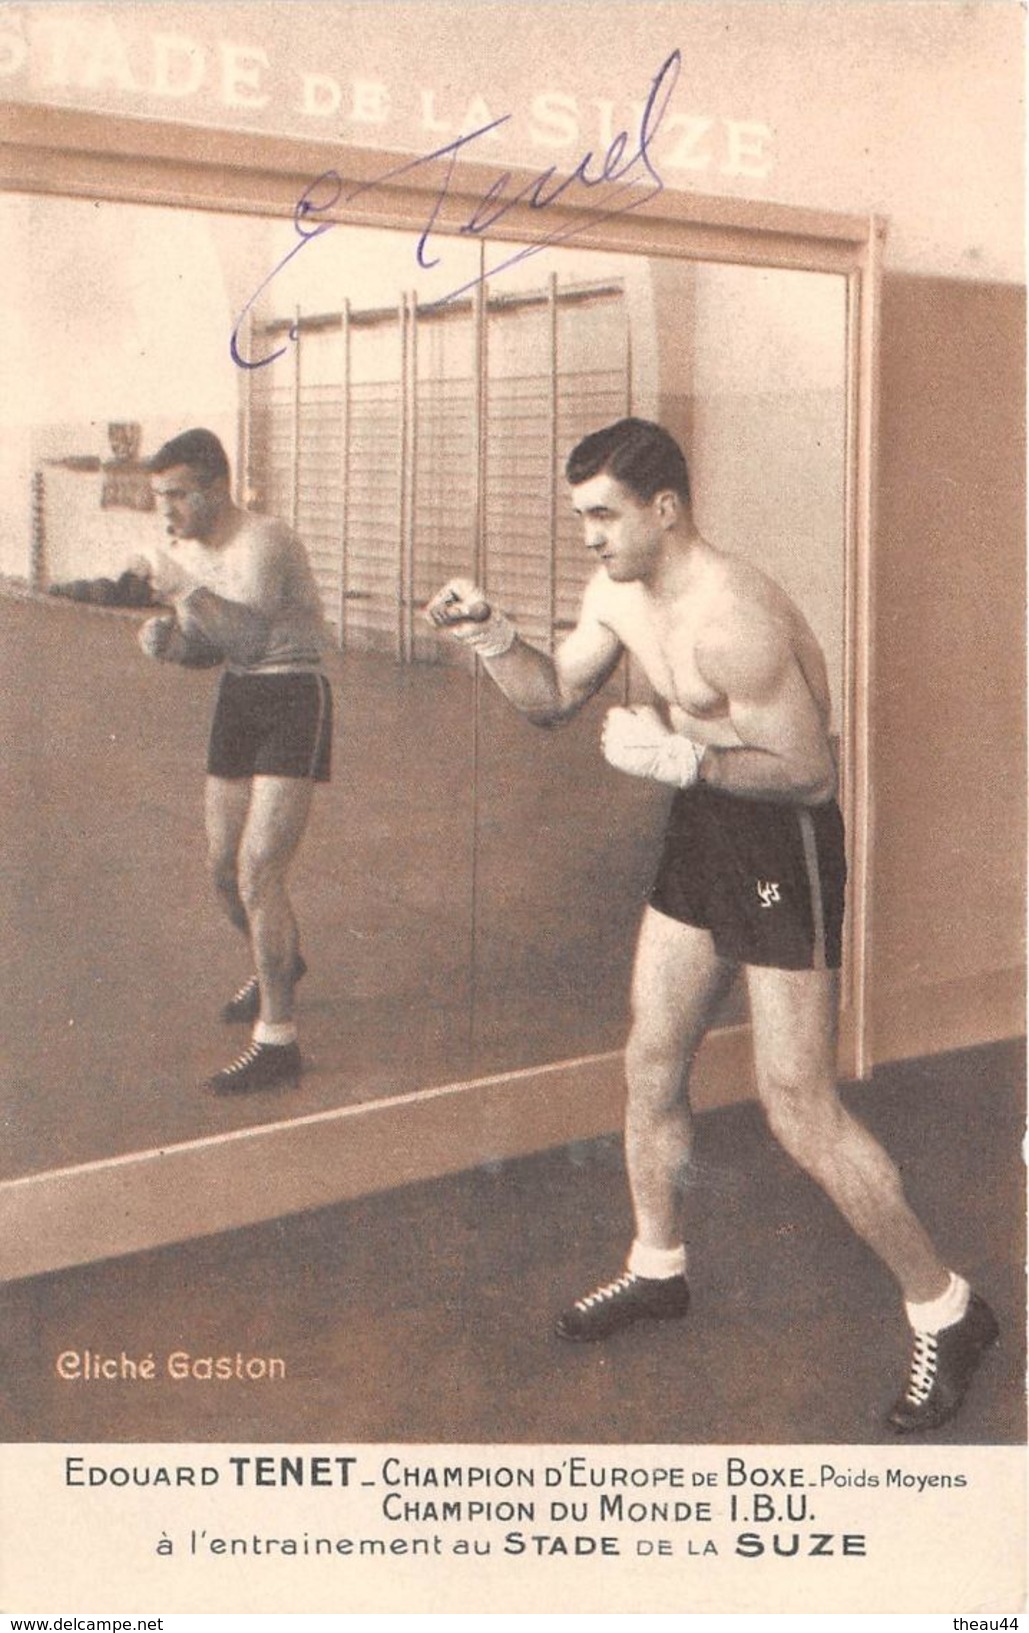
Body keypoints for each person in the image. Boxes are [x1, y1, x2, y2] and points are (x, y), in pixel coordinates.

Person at [426, 416, 998, 1434]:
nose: (589, 537)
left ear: (666, 507)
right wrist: (490, 636)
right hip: (704, 835)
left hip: (782, 851)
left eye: (603, 515)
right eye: (581, 518)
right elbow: (555, 696)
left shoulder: (735, 615)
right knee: (652, 1060)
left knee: (795, 1102)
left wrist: (685, 758)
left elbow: (811, 771)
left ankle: (945, 1308)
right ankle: (658, 1268)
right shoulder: (617, 593)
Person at [137, 428, 332, 1094]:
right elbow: (209, 649)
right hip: (240, 697)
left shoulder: (263, 541)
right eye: (158, 497)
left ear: (216, 489)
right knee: (222, 871)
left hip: (291, 694)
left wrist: (182, 593)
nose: (166, 512)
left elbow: (248, 634)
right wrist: (168, 642)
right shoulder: (188, 546)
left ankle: (278, 1040)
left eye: (179, 496)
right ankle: (280, 956)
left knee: (258, 871)